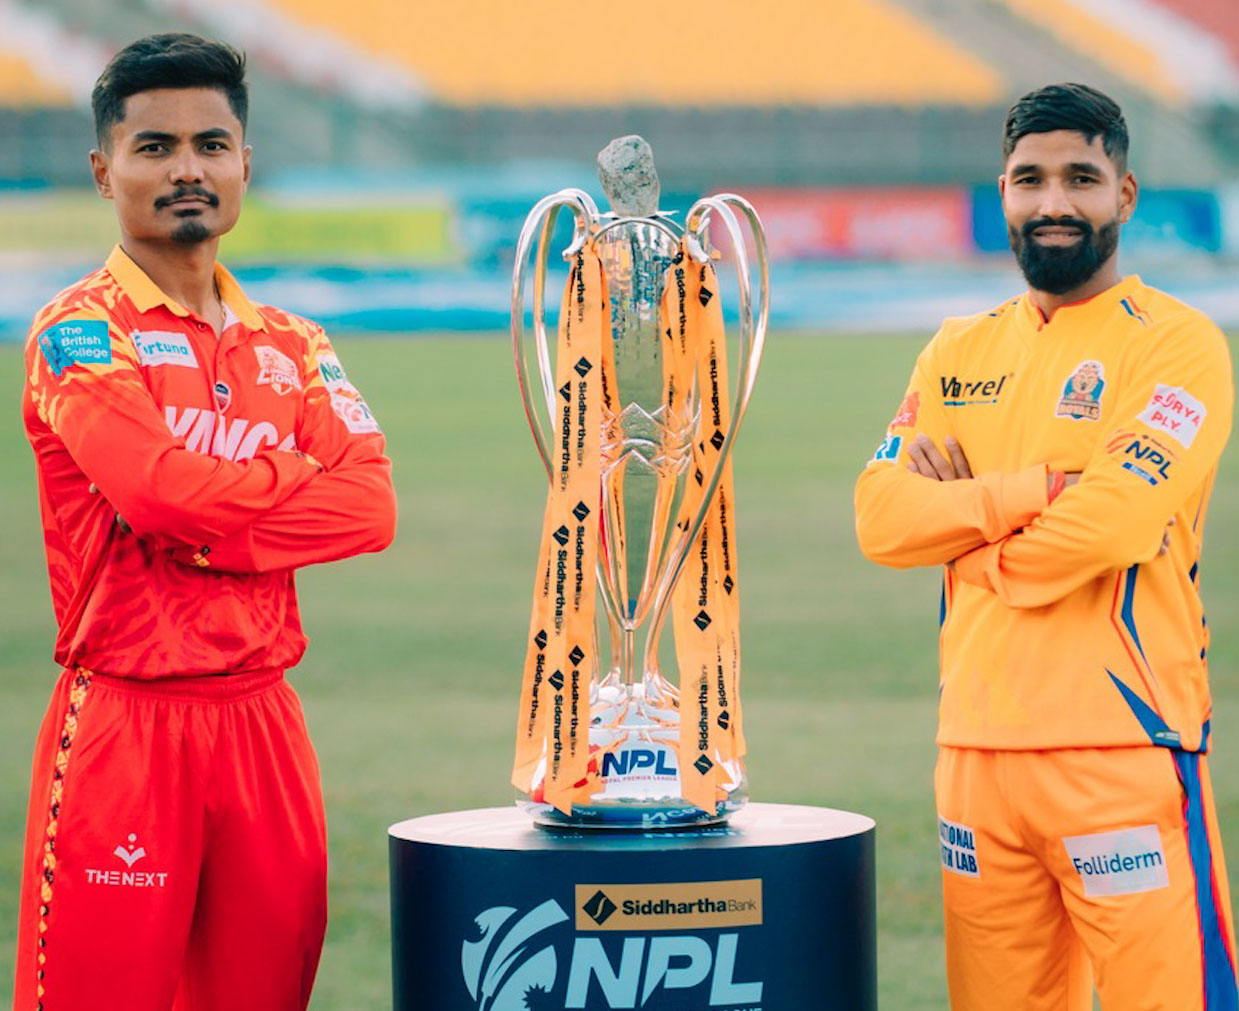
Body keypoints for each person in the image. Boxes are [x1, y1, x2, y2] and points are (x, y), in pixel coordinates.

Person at [16, 33, 397, 1010]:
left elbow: (369, 507)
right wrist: (289, 471)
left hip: (265, 721)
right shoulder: (79, 330)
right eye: (155, 147)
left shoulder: (294, 344)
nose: (187, 168)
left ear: (244, 165)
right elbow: (154, 493)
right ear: (105, 171)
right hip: (127, 723)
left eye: (210, 145)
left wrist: (202, 517)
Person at [855, 83, 1237, 1010]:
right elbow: (880, 519)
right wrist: (1033, 492)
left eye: (1079, 178)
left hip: (1119, 750)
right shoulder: (957, 349)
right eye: (1029, 179)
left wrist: (962, 536)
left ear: (1124, 194)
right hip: (973, 756)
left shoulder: (1177, 345)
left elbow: (1109, 524)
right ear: (1003, 193)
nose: (1053, 201)